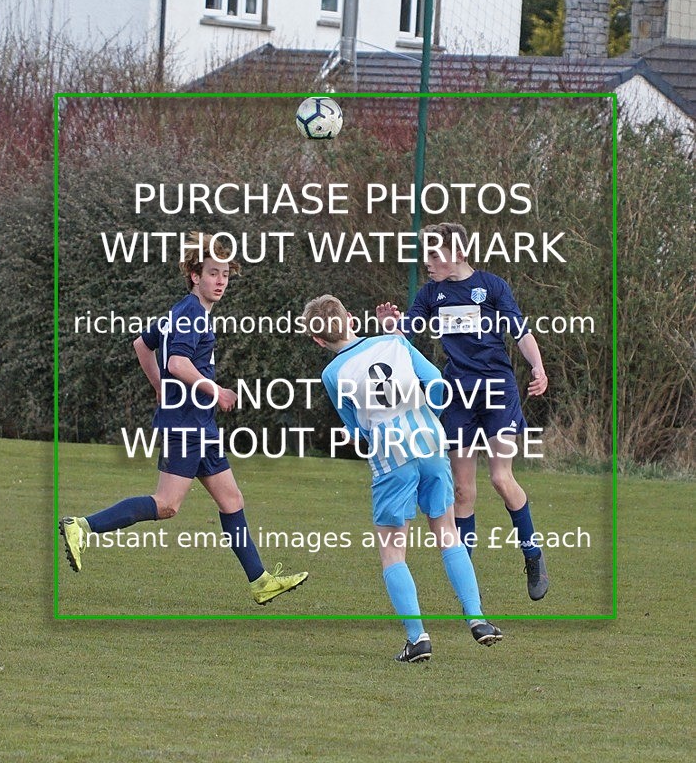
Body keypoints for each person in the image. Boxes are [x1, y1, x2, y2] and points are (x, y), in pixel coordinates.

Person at [59, 231, 308, 606]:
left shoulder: (180, 312)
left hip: (198, 425)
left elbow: (142, 345)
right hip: (186, 426)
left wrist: (160, 388)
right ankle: (81, 526)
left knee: (231, 500)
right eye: (212, 273)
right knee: (167, 505)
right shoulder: (191, 315)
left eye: (225, 274)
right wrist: (214, 389)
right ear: (195, 276)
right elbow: (177, 362)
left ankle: (260, 582)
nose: (220, 281)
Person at [302, 294, 502, 663]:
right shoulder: (394, 341)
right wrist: (428, 419)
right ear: (350, 316)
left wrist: (361, 434)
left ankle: (417, 638)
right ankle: (477, 619)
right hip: (429, 445)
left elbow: (356, 429)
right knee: (447, 533)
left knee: (393, 550)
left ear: (318, 340)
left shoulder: (332, 375)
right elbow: (438, 383)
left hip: (391, 459)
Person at [377, 221, 549, 600]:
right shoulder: (430, 294)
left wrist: (537, 367)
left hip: (497, 391)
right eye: (426, 255)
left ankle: (533, 554)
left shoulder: (491, 287)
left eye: (435, 255)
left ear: (458, 253)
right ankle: (467, 586)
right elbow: (404, 334)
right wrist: (391, 326)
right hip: (458, 397)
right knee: (462, 492)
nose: (429, 262)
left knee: (501, 480)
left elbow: (520, 331)